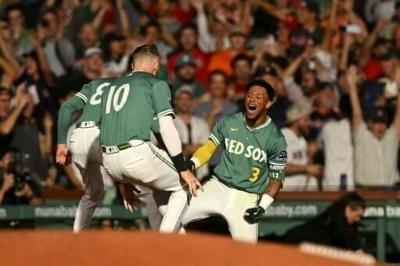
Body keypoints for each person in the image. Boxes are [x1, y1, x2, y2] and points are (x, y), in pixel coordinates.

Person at [99, 44, 202, 233]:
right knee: (184, 184)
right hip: (136, 154)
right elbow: (166, 129)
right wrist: (183, 168)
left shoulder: (111, 86)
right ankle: (159, 245)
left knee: (161, 192)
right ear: (156, 65)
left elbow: (106, 130)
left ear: (132, 65)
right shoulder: (155, 83)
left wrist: (122, 181)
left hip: (109, 161)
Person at [182, 79, 287, 243]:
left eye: (258, 97)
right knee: (174, 214)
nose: (252, 100)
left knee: (248, 255)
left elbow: (276, 180)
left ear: (268, 103)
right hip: (218, 187)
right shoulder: (229, 122)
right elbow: (209, 148)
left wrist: (261, 207)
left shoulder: (276, 139)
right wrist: (192, 163)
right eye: (250, 95)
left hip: (246, 197)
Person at [55, 76, 117, 232]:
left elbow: (66, 108)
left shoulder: (102, 122)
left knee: (96, 194)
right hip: (89, 179)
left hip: (105, 183)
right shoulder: (72, 128)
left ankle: (81, 233)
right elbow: (66, 162)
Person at [348, 65, 400, 188]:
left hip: (390, 193)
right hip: (365, 192)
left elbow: (399, 115)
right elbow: (356, 113)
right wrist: (351, 86)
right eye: (376, 122)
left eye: (382, 122)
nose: (380, 126)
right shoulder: (362, 136)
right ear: (370, 124)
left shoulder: (391, 137)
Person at [282, 192, 366, 251]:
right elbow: (341, 236)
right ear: (348, 208)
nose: (358, 219)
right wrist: (357, 250)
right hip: (293, 242)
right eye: (357, 215)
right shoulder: (336, 217)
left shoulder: (349, 223)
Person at [281, 103, 323, 191]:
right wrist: (306, 168)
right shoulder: (283, 136)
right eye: (306, 119)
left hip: (299, 195)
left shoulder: (302, 140)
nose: (309, 123)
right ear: (295, 121)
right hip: (284, 195)